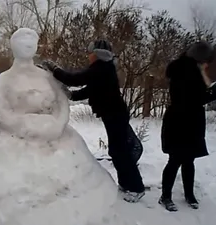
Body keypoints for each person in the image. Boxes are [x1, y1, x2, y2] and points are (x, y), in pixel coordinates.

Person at [41, 40, 145, 203]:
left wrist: (54, 69)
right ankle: (126, 184)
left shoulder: (100, 67)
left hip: (115, 115)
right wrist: (73, 95)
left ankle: (137, 188)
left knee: (121, 152)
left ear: (96, 54)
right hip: (114, 115)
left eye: (90, 53)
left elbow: (73, 79)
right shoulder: (104, 69)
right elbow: (92, 89)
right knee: (118, 152)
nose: (88, 56)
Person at [159, 41, 216, 212]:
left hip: (191, 121)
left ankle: (189, 194)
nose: (208, 64)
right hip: (179, 122)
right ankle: (165, 196)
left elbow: (199, 94)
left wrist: (214, 88)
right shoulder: (184, 72)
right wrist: (214, 92)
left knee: (188, 159)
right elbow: (193, 98)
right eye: (207, 60)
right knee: (175, 160)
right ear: (200, 58)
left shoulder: (194, 71)